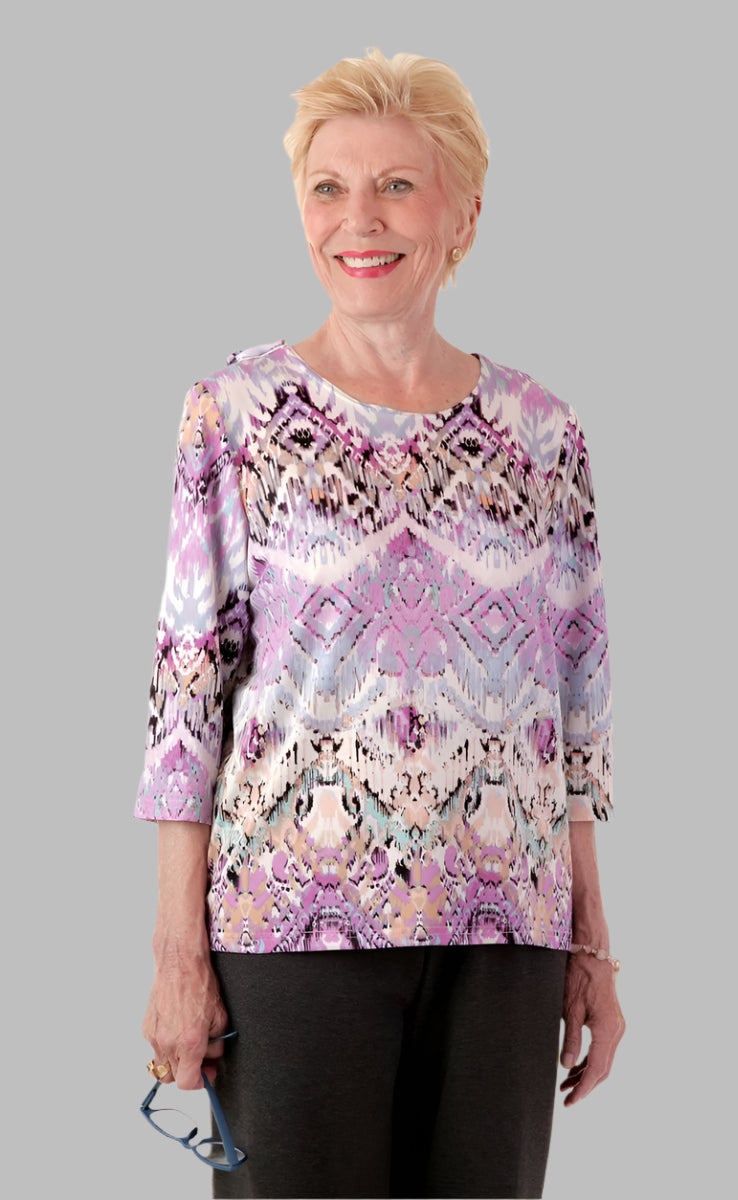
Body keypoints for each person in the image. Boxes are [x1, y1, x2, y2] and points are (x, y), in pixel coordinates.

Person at [137, 48, 625, 1200]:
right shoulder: (236, 416)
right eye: (328, 187)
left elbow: (573, 717)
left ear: (462, 215)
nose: (357, 218)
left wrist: (591, 947)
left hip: (504, 936)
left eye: (396, 185)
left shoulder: (543, 436)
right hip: (289, 931)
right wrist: (175, 955)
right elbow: (184, 697)